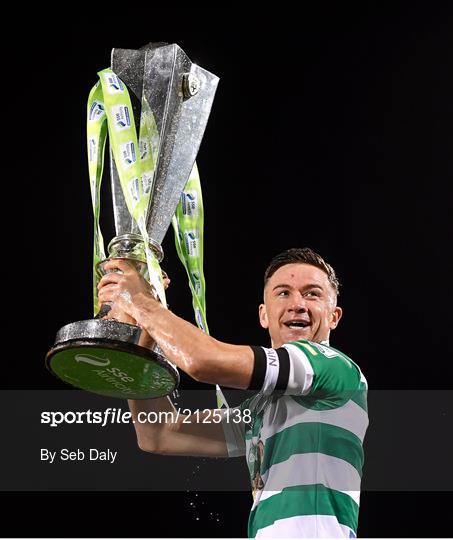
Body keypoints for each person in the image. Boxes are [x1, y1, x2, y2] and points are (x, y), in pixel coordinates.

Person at [98, 248, 369, 538]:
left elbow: (203, 361)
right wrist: (139, 341)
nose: (297, 305)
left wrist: (142, 302)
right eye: (283, 293)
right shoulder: (261, 409)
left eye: (312, 294)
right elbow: (159, 432)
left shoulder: (331, 367)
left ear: (334, 316)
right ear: (264, 315)